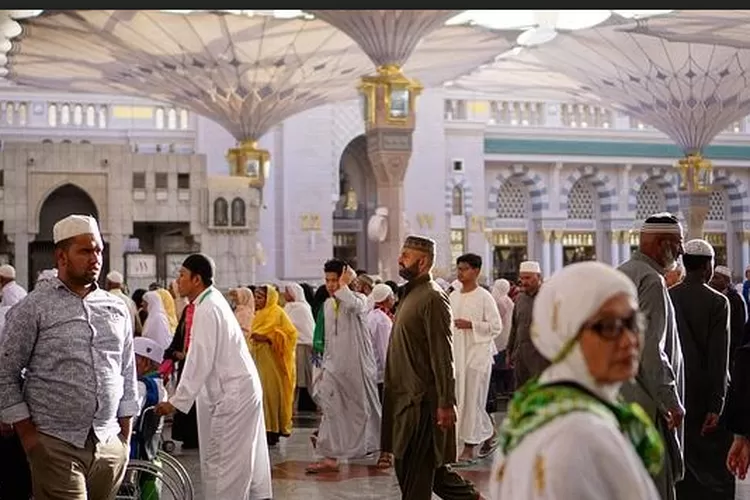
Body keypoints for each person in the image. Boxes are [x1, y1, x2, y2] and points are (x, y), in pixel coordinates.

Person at [489, 262, 661, 500]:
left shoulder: (542, 405)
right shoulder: (581, 434)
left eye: (633, 323)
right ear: (568, 332)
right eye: (609, 327)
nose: (629, 340)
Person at [0, 214, 138, 500]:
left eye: (98, 250)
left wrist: (125, 435)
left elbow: (126, 370)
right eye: (85, 251)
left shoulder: (116, 307)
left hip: (109, 443)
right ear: (62, 257)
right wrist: (28, 435)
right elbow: (5, 371)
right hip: (55, 444)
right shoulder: (34, 307)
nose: (95, 258)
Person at [154, 253, 272, 500]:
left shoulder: (207, 308)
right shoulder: (210, 301)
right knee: (242, 460)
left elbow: (199, 358)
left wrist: (175, 402)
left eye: (182, 275)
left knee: (223, 466)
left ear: (197, 279)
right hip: (239, 390)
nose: (178, 280)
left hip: (234, 394)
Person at [382, 235, 480, 499]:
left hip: (422, 404)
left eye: (406, 255)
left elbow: (442, 354)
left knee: (417, 476)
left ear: (422, 261)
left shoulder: (433, 297)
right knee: (432, 474)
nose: (400, 258)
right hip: (404, 400)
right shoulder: (412, 294)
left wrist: (446, 402)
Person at [618, 212, 685, 500]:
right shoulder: (651, 281)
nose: (681, 251)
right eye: (677, 243)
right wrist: (670, 401)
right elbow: (649, 349)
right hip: (646, 404)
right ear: (661, 244)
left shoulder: (621, 272)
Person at [669, 239, 733, 500]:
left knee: (684, 468)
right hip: (707, 395)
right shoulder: (718, 302)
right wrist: (716, 404)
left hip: (678, 392)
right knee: (713, 475)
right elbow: (720, 358)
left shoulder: (669, 296)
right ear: (708, 267)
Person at [307, 260, 381, 474]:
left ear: (345, 278)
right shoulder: (328, 305)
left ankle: (378, 448)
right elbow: (329, 337)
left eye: (335, 280)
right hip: (333, 367)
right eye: (328, 280)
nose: (330, 285)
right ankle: (329, 456)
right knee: (331, 410)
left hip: (357, 368)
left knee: (363, 410)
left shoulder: (361, 299)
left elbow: (353, 305)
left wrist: (344, 284)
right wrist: (323, 364)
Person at [450, 253, 503, 464]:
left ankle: (470, 448)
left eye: (464, 268)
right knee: (460, 399)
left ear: (476, 271)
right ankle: (488, 435)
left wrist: (471, 325)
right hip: (457, 354)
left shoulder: (484, 297)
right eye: (459, 268)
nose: (460, 272)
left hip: (477, 354)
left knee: (473, 399)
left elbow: (496, 327)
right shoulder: (453, 296)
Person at [250, 284, 297, 447]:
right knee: (261, 393)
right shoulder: (257, 315)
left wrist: (269, 338)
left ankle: (273, 430)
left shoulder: (277, 313)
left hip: (273, 362)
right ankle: (263, 428)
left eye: (260, 297)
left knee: (271, 393)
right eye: (255, 297)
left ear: (269, 298)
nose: (257, 300)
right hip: (259, 359)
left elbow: (291, 335)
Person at [507, 260, 548, 387]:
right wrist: (510, 351)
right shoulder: (520, 298)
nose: (524, 281)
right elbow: (515, 326)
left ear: (539, 277)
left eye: (528, 278)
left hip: (541, 355)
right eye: (522, 278)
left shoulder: (548, 297)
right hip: (521, 354)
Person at [283, 283, 316, 413]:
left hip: (303, 345)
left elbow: (303, 328)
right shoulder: (288, 307)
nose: (285, 294)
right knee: (293, 379)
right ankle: (292, 406)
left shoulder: (301, 308)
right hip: (292, 346)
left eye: (287, 291)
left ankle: (320, 404)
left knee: (307, 378)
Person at [710, 265, 747, 361]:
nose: (712, 281)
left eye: (717, 278)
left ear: (727, 281)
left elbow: (739, 326)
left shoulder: (736, 299)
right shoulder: (710, 296)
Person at [368, 283, 395, 402]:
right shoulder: (382, 320)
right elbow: (385, 349)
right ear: (387, 299)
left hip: (373, 371)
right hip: (380, 375)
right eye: (392, 296)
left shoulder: (373, 315)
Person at [106, 271, 143, 336]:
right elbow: (138, 327)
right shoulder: (130, 301)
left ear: (109, 284)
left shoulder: (105, 299)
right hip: (128, 340)